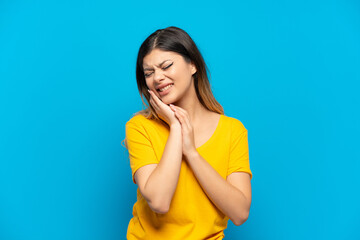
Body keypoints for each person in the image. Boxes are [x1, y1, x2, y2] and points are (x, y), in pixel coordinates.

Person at [124, 26, 252, 240]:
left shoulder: (232, 130)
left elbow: (240, 213)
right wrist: (175, 127)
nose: (158, 78)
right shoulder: (140, 127)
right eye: (149, 73)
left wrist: (192, 153)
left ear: (192, 64)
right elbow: (159, 201)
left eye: (166, 66)